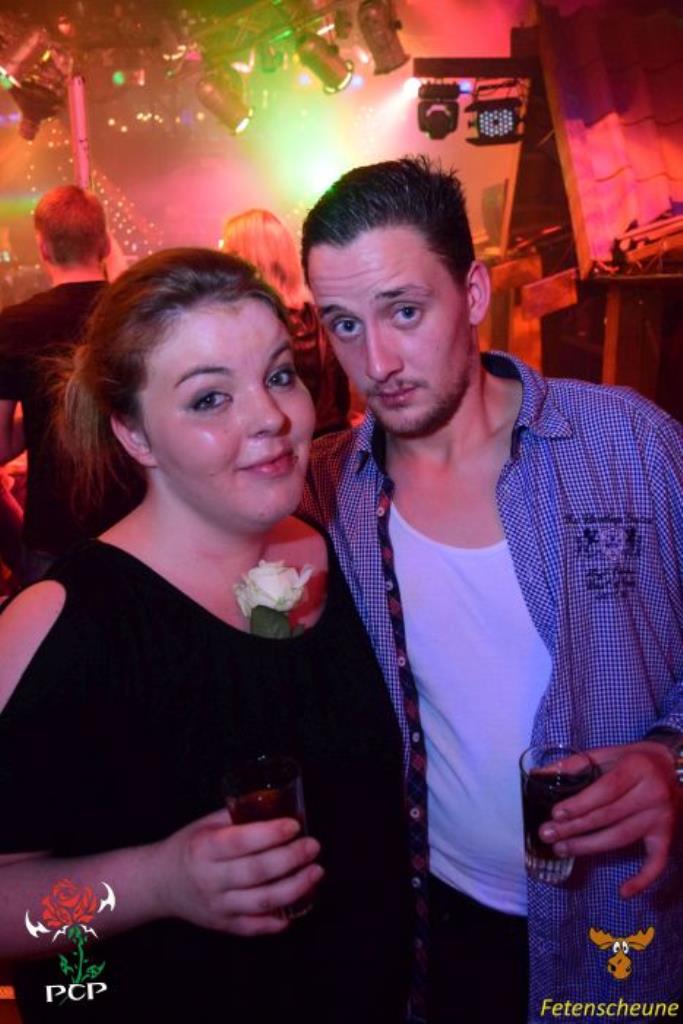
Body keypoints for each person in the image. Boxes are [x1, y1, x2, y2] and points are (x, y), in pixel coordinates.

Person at [299, 156, 683, 1024]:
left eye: (404, 310)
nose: (377, 361)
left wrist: (673, 760)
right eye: (344, 325)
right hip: (437, 929)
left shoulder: (628, 446)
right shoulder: (328, 490)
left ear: (472, 293)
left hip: (622, 923)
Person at [0, 248, 411, 1023]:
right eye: (209, 398)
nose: (270, 418)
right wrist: (156, 881)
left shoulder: (350, 558)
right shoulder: (62, 624)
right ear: (135, 435)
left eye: (278, 375)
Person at [0, 185, 139, 586]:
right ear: (104, 244)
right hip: (140, 527)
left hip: (54, 534)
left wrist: (42, 412)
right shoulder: (137, 315)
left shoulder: (14, 325)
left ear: (43, 248)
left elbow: (1, 446)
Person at [220, 208, 352, 435]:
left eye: (230, 252)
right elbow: (341, 397)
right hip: (334, 440)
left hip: (282, 444)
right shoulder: (321, 315)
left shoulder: (243, 328)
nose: (222, 259)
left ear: (245, 260)